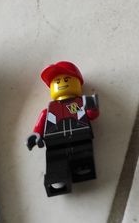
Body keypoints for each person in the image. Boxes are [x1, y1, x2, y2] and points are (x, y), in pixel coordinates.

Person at [26, 61, 99, 196]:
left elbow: (91, 115)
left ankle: (81, 169)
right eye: (57, 81)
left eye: (66, 80)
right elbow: (40, 124)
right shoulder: (49, 110)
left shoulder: (80, 103)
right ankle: (57, 177)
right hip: (54, 143)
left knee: (82, 159)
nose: (61, 83)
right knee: (55, 163)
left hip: (80, 138)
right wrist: (36, 134)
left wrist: (92, 107)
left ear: (77, 83)